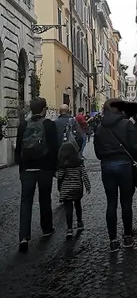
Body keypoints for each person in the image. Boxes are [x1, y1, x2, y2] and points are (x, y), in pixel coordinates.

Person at [94, 99, 137, 252]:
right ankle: (128, 237)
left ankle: (113, 240)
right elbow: (136, 146)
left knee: (111, 203)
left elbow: (97, 153)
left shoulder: (100, 128)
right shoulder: (126, 124)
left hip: (107, 166)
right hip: (124, 165)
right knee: (126, 202)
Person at [15, 97, 58, 253]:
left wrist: (22, 167)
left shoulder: (23, 125)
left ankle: (23, 237)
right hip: (45, 169)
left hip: (27, 170)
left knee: (25, 202)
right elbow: (54, 148)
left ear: (31, 109)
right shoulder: (49, 124)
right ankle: (46, 228)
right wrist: (54, 168)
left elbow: (18, 147)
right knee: (45, 198)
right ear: (44, 109)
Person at [57, 142, 90, 240]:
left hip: (66, 189)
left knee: (68, 209)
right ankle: (79, 222)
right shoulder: (79, 162)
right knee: (78, 205)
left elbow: (60, 177)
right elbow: (84, 174)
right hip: (77, 188)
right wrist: (88, 186)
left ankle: (69, 229)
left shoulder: (63, 164)